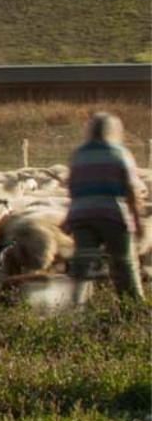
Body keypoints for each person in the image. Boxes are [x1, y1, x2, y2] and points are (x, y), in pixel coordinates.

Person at [65, 111, 146, 305]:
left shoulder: (78, 154)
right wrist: (138, 220)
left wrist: (70, 217)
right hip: (113, 215)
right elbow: (131, 189)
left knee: (84, 263)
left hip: (82, 216)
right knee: (124, 263)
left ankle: (76, 309)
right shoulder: (119, 153)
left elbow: (71, 186)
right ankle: (134, 308)